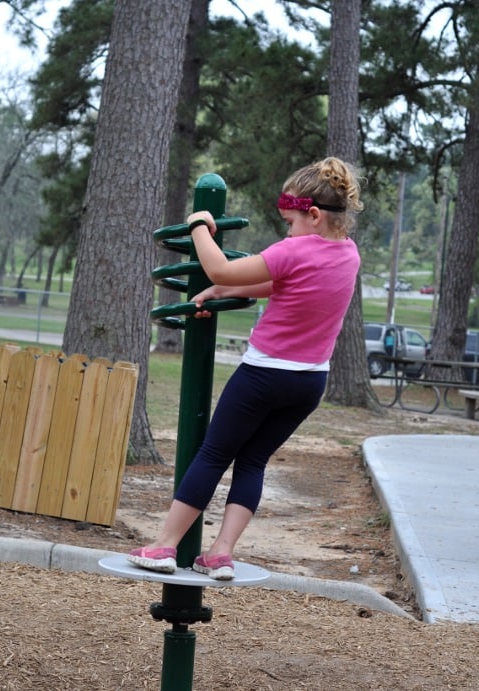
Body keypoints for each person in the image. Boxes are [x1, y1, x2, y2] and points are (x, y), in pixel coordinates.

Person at [128, 157, 363, 580]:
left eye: (289, 221)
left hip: (264, 375)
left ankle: (164, 546)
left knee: (215, 453)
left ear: (312, 215)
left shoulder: (292, 249)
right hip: (310, 381)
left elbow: (219, 266)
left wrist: (199, 224)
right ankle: (220, 554)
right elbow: (281, 283)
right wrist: (225, 287)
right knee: (253, 462)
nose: (286, 230)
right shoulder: (348, 254)